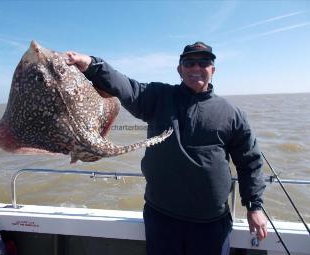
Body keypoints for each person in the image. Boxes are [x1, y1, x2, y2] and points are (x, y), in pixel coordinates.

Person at [66, 41, 268, 255]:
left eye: (203, 62)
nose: (196, 68)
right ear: (180, 69)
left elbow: (250, 163)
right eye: (189, 63)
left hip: (211, 223)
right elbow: (125, 86)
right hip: (162, 218)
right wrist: (91, 64)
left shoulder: (232, 114)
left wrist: (254, 206)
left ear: (213, 69)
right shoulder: (158, 97)